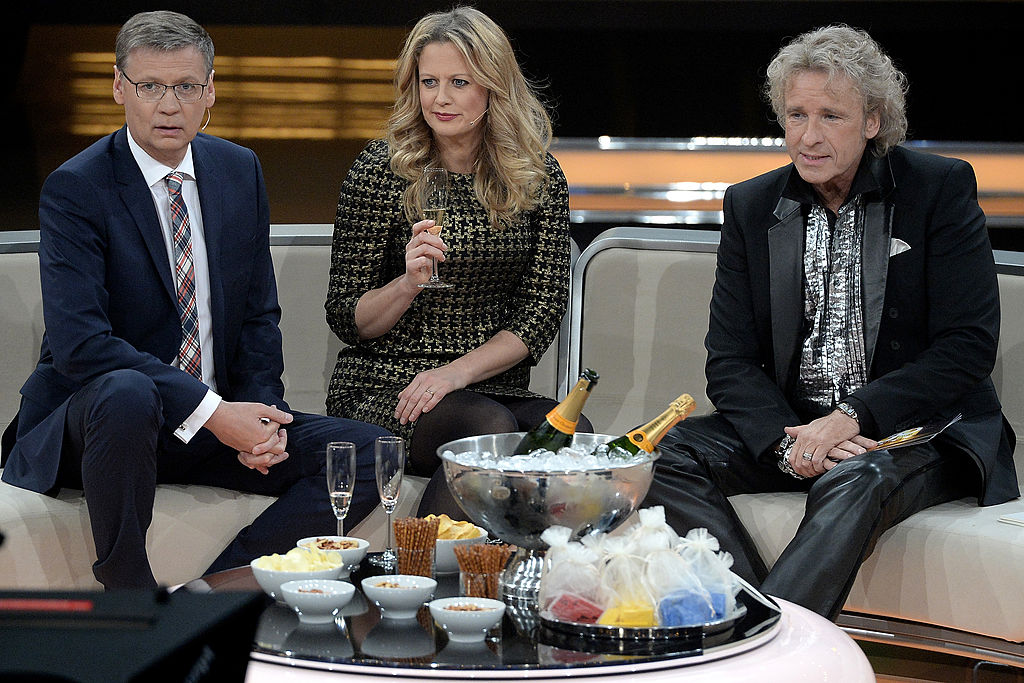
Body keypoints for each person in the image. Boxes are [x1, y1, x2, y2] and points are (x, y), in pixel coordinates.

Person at [0, 10, 389, 589]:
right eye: (149, 87)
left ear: (209, 92)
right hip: (109, 426)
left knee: (366, 449)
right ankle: (127, 591)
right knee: (126, 390)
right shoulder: (77, 188)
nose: (168, 105)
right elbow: (82, 346)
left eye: (185, 87)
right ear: (118, 88)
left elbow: (259, 316)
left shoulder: (238, 170)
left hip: (212, 423)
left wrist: (261, 417)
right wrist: (214, 414)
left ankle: (210, 594)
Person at [645, 24, 1018, 620]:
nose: (808, 137)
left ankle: (771, 645)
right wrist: (785, 443)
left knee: (859, 475)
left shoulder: (937, 190)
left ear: (872, 121)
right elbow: (730, 360)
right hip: (798, 430)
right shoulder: (752, 205)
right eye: (796, 116)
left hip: (914, 431)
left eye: (830, 117)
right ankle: (755, 618)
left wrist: (850, 418)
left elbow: (966, 349)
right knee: (656, 455)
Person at [325, 6, 588, 517]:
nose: (440, 99)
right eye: (429, 82)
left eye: (459, 82)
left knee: (572, 435)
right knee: (486, 431)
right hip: (388, 386)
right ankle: (425, 580)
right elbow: (347, 318)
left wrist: (455, 373)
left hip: (484, 384)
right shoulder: (382, 171)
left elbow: (539, 315)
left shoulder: (536, 177)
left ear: (492, 87)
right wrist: (406, 284)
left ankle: (525, 582)